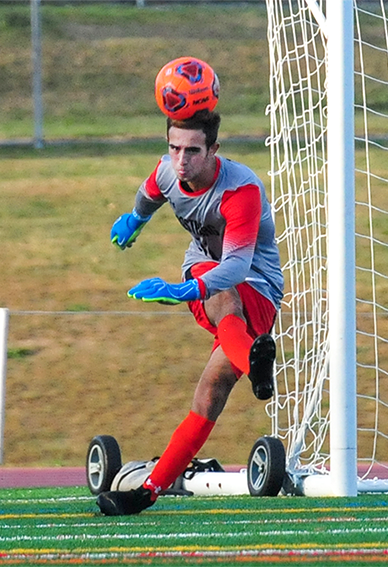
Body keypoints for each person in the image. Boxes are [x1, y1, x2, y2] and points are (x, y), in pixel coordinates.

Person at [97, 109, 284, 516]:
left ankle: (253, 363)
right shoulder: (168, 171)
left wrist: (183, 290)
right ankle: (147, 492)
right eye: (174, 148)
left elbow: (235, 266)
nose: (181, 160)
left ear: (214, 150)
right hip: (213, 281)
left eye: (193, 151)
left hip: (257, 288)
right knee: (206, 390)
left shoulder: (241, 192)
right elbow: (149, 192)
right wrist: (136, 219)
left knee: (210, 389)